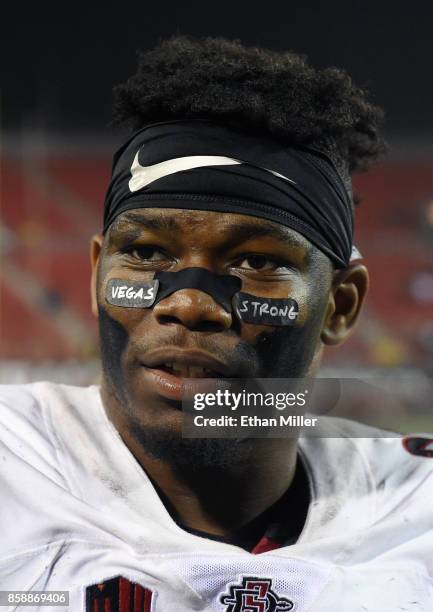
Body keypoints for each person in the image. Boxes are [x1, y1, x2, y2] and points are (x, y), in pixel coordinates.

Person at [1, 36, 432, 612]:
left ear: (341, 305)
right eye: (148, 253)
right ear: (96, 272)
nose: (191, 305)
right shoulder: (15, 469)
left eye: (257, 261)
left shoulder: (417, 508)